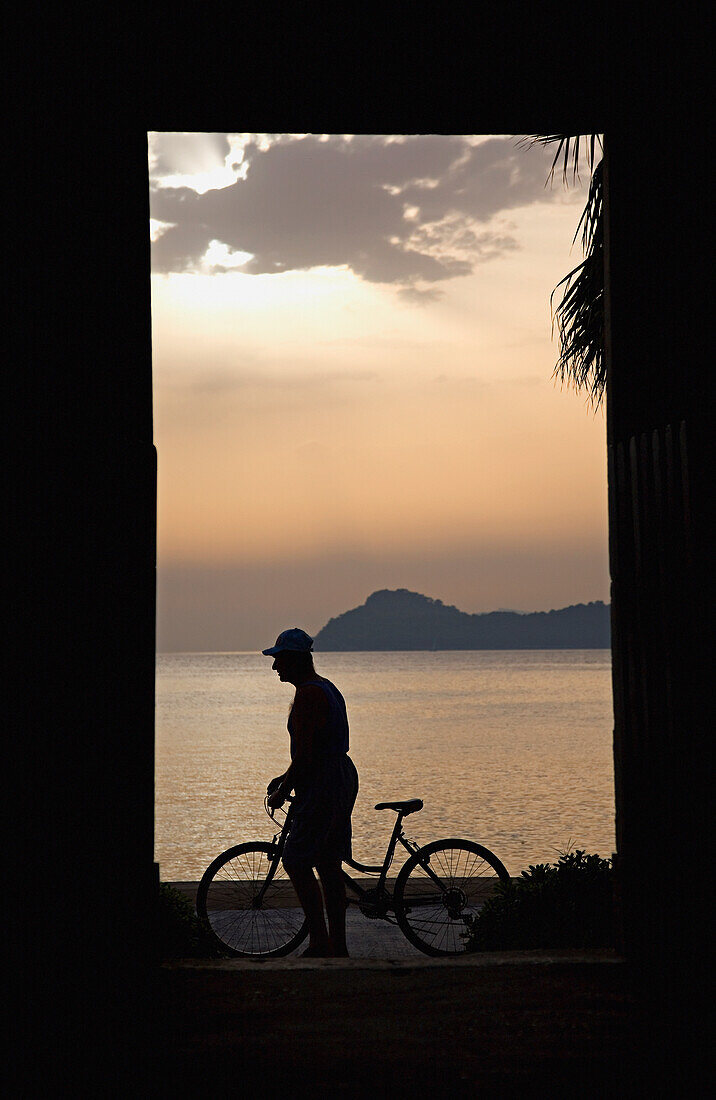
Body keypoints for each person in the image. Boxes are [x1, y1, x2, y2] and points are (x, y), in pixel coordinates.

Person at [263, 628, 359, 957]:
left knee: (296, 859)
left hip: (323, 781)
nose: (275, 667)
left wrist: (282, 790)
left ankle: (320, 942)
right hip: (336, 774)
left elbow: (305, 755)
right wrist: (286, 776)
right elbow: (314, 750)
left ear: (294, 660)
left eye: (279, 660)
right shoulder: (326, 687)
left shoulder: (308, 695)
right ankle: (338, 945)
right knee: (329, 863)